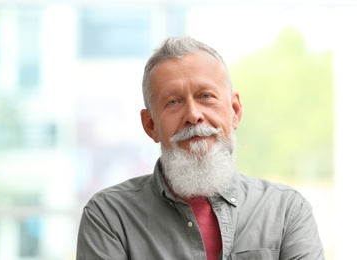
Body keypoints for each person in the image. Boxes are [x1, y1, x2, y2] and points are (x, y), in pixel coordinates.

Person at [76, 36, 325, 260]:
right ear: (150, 125)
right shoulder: (109, 217)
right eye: (173, 102)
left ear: (234, 111)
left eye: (206, 96)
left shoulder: (286, 212)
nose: (193, 115)